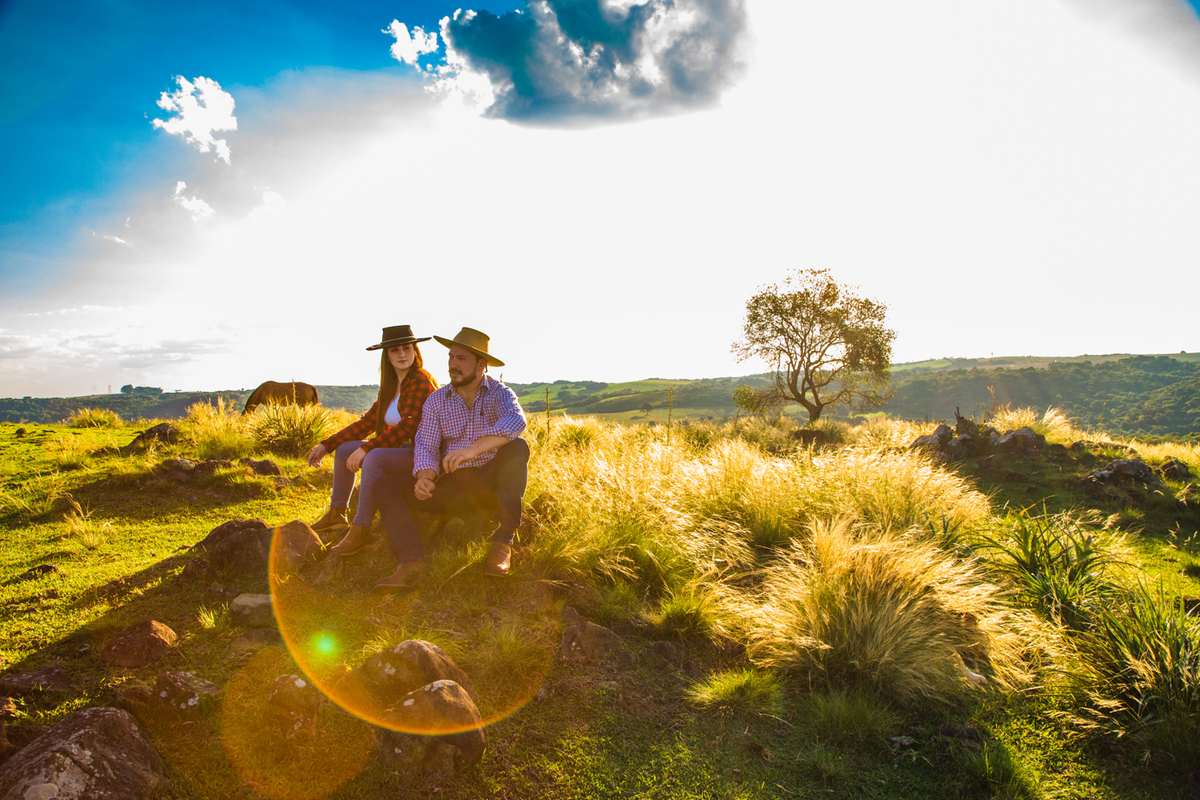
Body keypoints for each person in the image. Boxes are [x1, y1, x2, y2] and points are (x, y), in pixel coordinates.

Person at [372, 327, 529, 591]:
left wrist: (473, 449)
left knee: (517, 447)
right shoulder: (436, 401)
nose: (452, 365)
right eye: (450, 357)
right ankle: (411, 562)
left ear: (481, 365)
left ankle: (502, 542)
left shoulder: (500, 393)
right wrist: (425, 478)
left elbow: (516, 421)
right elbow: (426, 446)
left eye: (461, 359)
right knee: (385, 486)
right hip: (452, 487)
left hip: (489, 483)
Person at [306, 325, 438, 556]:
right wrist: (327, 444)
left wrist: (368, 448)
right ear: (386, 356)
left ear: (415, 351)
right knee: (346, 449)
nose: (402, 354)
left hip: (421, 453)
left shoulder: (421, 380)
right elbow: (367, 422)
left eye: (407, 348)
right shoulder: (391, 385)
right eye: (395, 350)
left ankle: (361, 528)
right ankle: (337, 514)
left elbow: (409, 425)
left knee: (374, 457)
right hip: (398, 449)